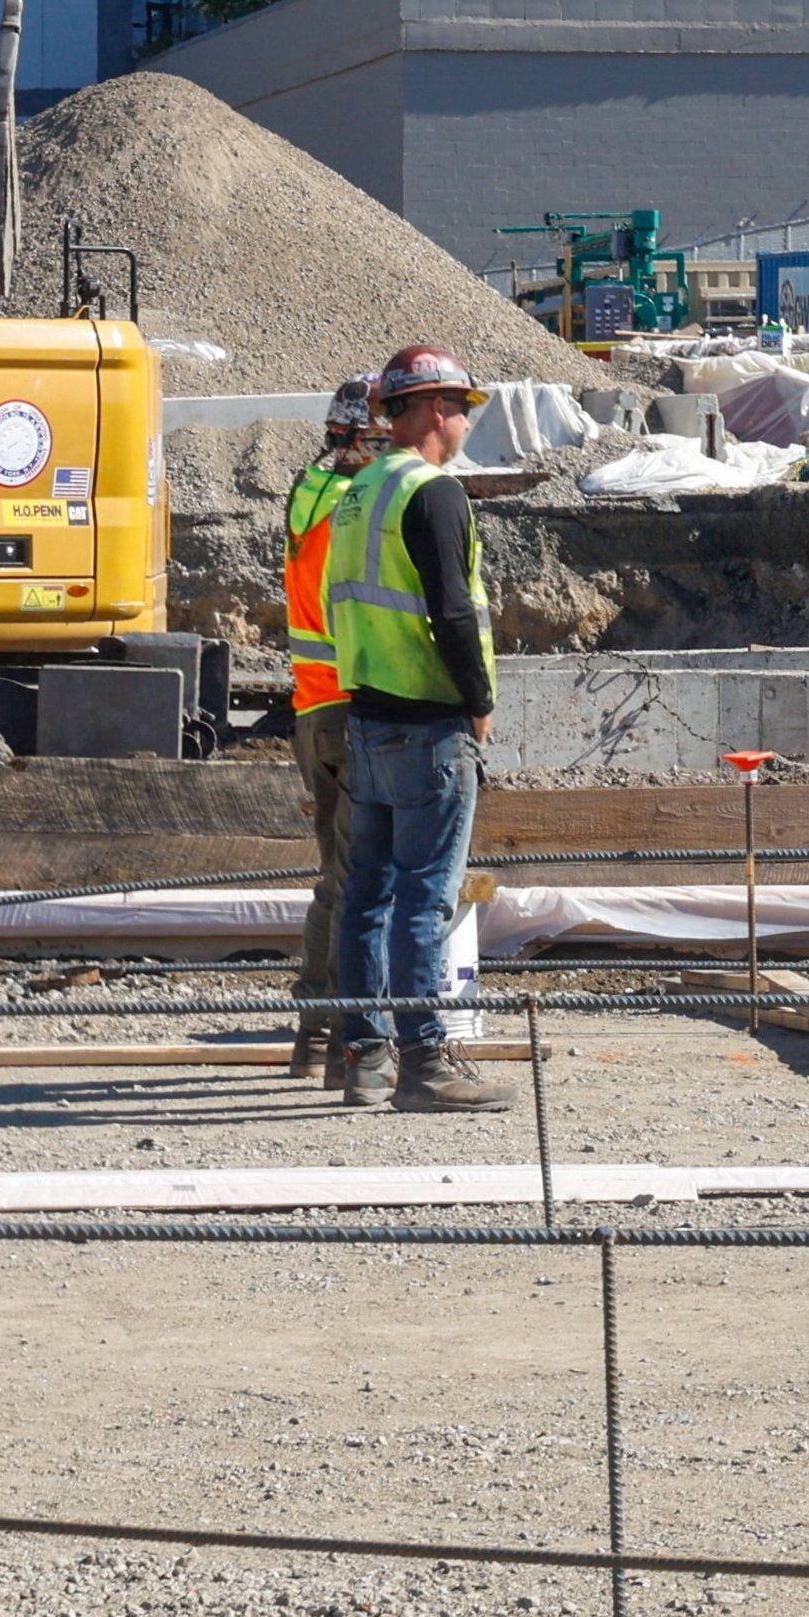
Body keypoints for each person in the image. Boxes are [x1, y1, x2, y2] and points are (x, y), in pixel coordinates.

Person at [320, 345, 513, 1112]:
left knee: (364, 894)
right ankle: (424, 1063)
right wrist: (478, 699)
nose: (466, 419)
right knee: (425, 901)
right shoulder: (432, 493)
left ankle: (363, 1057)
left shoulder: (359, 489)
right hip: (428, 722)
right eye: (461, 406)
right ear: (434, 409)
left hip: (366, 712)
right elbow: (452, 609)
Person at [281, 377, 387, 1070]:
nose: (390, 452)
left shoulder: (308, 489)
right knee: (362, 882)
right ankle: (350, 1039)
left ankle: (315, 1039)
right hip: (353, 704)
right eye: (380, 440)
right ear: (353, 438)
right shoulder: (354, 503)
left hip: (312, 709)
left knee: (337, 878)